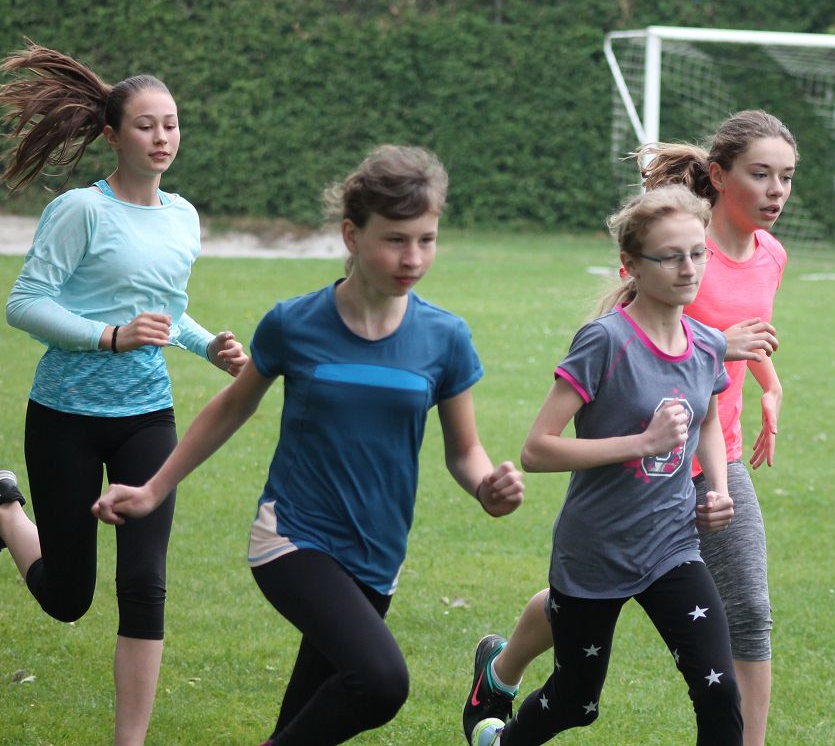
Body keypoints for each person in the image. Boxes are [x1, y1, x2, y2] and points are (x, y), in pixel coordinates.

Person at [91, 144, 525, 745]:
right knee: (381, 682)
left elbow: (463, 451)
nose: (413, 257)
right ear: (352, 234)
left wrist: (486, 487)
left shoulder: (445, 337)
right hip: (293, 536)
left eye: (426, 240)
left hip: (377, 554)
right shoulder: (294, 324)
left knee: (306, 715)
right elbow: (231, 406)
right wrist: (152, 490)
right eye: (395, 240)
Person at [463, 111, 794, 746]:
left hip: (690, 499)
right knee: (578, 686)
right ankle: (501, 681)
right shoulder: (612, 332)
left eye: (786, 176)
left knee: (738, 638)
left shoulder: (761, 264)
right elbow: (539, 447)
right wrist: (644, 441)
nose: (688, 268)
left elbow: (723, 372)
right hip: (608, 518)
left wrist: (766, 395)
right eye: (762, 174)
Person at [0, 42, 247, 746]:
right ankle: (7, 509)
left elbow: (169, 313)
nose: (162, 137)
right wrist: (109, 336)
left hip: (147, 419)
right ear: (112, 135)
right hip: (65, 419)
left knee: (144, 584)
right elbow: (24, 304)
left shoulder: (183, 216)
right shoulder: (80, 210)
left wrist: (209, 347)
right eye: (146, 125)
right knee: (67, 598)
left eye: (171, 124)